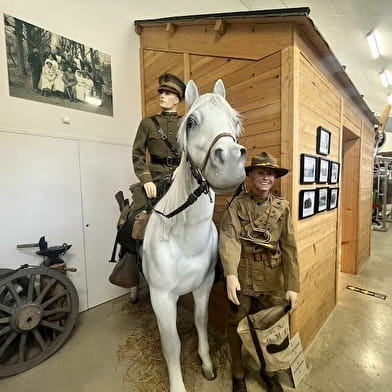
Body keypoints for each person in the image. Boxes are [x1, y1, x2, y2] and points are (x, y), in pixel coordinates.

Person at [219, 151, 300, 392]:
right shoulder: (236, 206)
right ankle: (238, 373)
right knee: (234, 326)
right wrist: (230, 274)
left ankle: (270, 372)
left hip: (272, 279)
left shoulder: (282, 208)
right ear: (251, 175)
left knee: (273, 330)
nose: (266, 177)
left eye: (271, 173)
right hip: (242, 277)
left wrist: (293, 285)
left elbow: (289, 248)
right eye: (261, 172)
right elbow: (229, 238)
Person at [126, 73, 186, 303]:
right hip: (155, 177)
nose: (162, 96)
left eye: (168, 93)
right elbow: (138, 154)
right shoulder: (148, 123)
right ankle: (130, 263)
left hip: (180, 179)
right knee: (134, 217)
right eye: (161, 92)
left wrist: (183, 170)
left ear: (177, 99)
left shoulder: (184, 123)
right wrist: (146, 179)